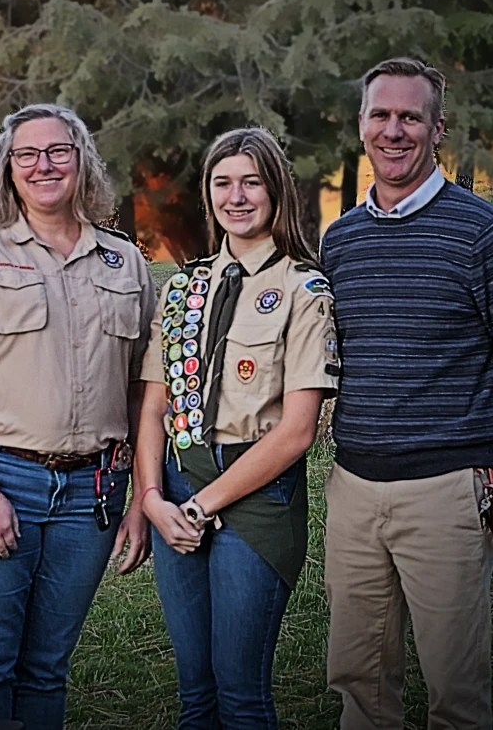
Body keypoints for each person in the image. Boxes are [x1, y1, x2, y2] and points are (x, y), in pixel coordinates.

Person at [320, 57, 493, 729]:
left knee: (456, 694)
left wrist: (474, 447)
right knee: (360, 685)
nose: (393, 130)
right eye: (381, 115)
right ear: (361, 125)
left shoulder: (486, 235)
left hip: (448, 494)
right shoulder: (338, 242)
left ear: (437, 128)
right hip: (352, 491)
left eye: (410, 116)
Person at [0, 103, 155, 730]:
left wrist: (138, 496)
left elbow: (141, 392)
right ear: (8, 169)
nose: (44, 165)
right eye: (28, 154)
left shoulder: (125, 264)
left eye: (58, 151)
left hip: (91, 494)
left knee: (47, 666)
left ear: (82, 163)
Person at [132, 127, 339, 730]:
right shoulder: (183, 290)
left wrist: (200, 509)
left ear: (276, 190)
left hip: (255, 497)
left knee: (241, 692)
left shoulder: (304, 289)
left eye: (252, 181)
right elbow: (152, 407)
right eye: (223, 182)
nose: (237, 196)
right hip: (175, 489)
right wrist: (151, 500)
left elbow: (298, 431)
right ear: (208, 194)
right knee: (195, 692)